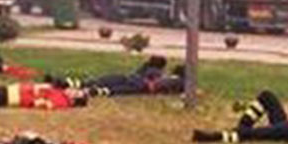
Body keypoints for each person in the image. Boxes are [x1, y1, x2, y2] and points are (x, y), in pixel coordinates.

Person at [46, 55, 185, 97]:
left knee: (111, 84)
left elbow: (153, 82)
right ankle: (73, 85)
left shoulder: (177, 81)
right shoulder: (164, 75)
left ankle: (77, 86)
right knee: (110, 83)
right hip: (138, 82)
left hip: (141, 85)